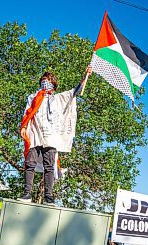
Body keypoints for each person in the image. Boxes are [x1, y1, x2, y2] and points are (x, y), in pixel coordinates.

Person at [17, 67, 92, 205]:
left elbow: (75, 91)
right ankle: (27, 193)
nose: (45, 83)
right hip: (35, 134)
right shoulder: (33, 97)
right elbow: (27, 113)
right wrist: (24, 126)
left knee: (49, 166)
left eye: (48, 81)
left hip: (51, 137)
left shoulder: (58, 98)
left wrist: (85, 75)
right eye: (43, 81)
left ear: (53, 84)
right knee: (30, 163)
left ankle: (48, 196)